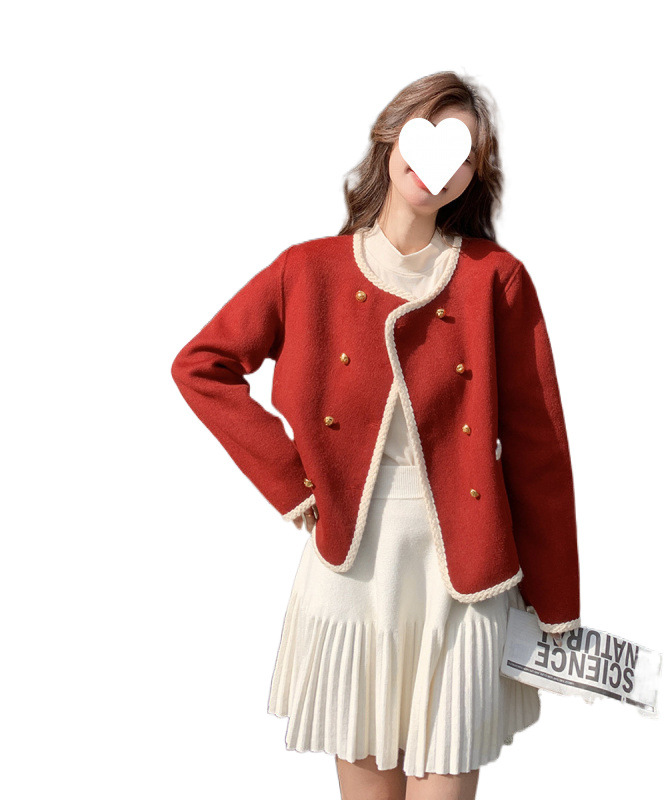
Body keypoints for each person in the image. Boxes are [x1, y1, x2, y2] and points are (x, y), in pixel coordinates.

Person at [171, 70, 580, 800]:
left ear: (472, 177)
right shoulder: (309, 271)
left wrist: (557, 604)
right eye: (427, 138)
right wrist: (293, 486)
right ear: (391, 140)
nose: (440, 165)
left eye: (462, 155)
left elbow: (538, 450)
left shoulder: (496, 280)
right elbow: (202, 366)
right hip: (353, 571)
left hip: (464, 576)